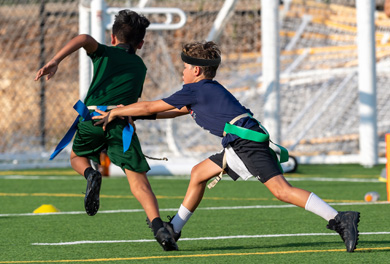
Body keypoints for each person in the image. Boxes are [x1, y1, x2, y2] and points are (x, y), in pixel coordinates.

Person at [93, 41, 360, 253]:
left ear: (196, 70)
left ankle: (340, 219)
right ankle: (173, 228)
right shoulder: (204, 90)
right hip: (240, 141)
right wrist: (130, 113)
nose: (183, 72)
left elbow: (153, 106)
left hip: (245, 143)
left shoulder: (196, 89)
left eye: (185, 68)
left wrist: (118, 112)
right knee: (198, 173)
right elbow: (169, 112)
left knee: (282, 191)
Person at [34, 9, 178, 251]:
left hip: (92, 119)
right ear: (141, 44)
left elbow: (83, 39)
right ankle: (159, 227)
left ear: (112, 38)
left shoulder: (104, 53)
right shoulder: (140, 67)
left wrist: (55, 60)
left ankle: (91, 175)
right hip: (121, 124)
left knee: (76, 156)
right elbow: (133, 104)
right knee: (138, 180)